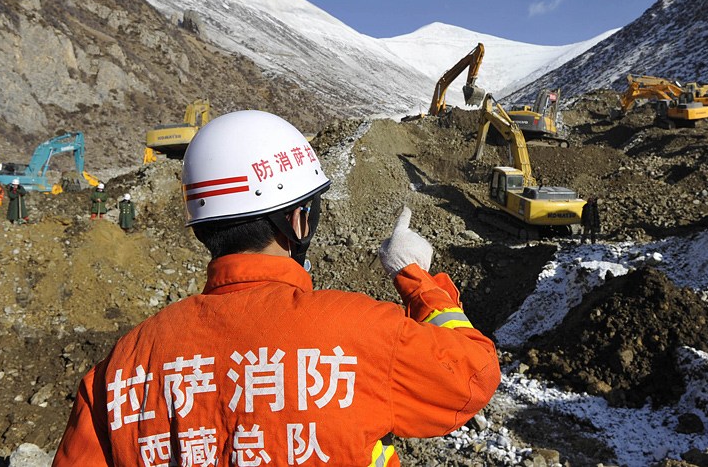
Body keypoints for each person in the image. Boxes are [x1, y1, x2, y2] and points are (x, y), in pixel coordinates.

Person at [53, 110, 500, 466]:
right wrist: (416, 278)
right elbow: (472, 374)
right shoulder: (361, 334)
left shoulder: (122, 368)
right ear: (299, 220)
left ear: (203, 227)